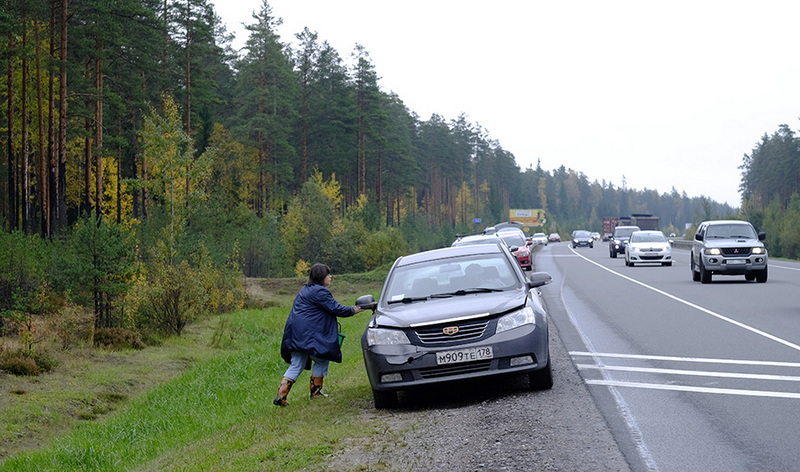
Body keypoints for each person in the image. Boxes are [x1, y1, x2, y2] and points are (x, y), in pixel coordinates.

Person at [273, 263, 365, 407]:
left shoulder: (305, 289)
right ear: (321, 276)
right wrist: (357, 309)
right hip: (308, 334)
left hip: (296, 333)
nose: (330, 277)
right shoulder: (319, 292)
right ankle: (315, 392)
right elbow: (336, 309)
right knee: (322, 359)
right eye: (328, 275)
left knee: (297, 364)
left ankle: (281, 396)